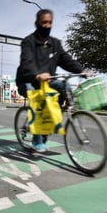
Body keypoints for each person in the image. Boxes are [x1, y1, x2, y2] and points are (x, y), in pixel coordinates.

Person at [16, 8, 85, 152]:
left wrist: (82, 70)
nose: (47, 25)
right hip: (28, 80)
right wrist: (37, 75)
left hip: (47, 81)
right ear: (37, 24)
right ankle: (37, 140)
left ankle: (50, 122)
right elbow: (26, 63)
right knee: (37, 98)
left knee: (64, 88)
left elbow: (66, 60)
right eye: (44, 22)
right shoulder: (28, 42)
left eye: (50, 22)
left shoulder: (55, 43)